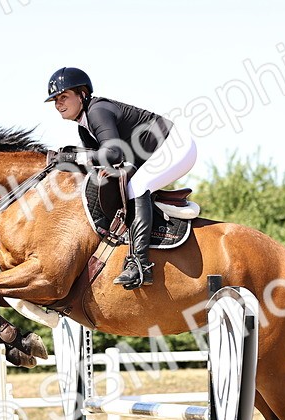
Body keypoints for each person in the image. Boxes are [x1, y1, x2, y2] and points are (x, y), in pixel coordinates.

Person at [45, 67, 197, 290]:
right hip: (151, 154)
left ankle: (140, 264)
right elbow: (100, 165)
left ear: (82, 95)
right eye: (55, 100)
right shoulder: (84, 128)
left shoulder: (97, 110)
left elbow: (113, 154)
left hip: (175, 146)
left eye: (64, 96)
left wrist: (71, 156)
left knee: (138, 185)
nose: (59, 104)